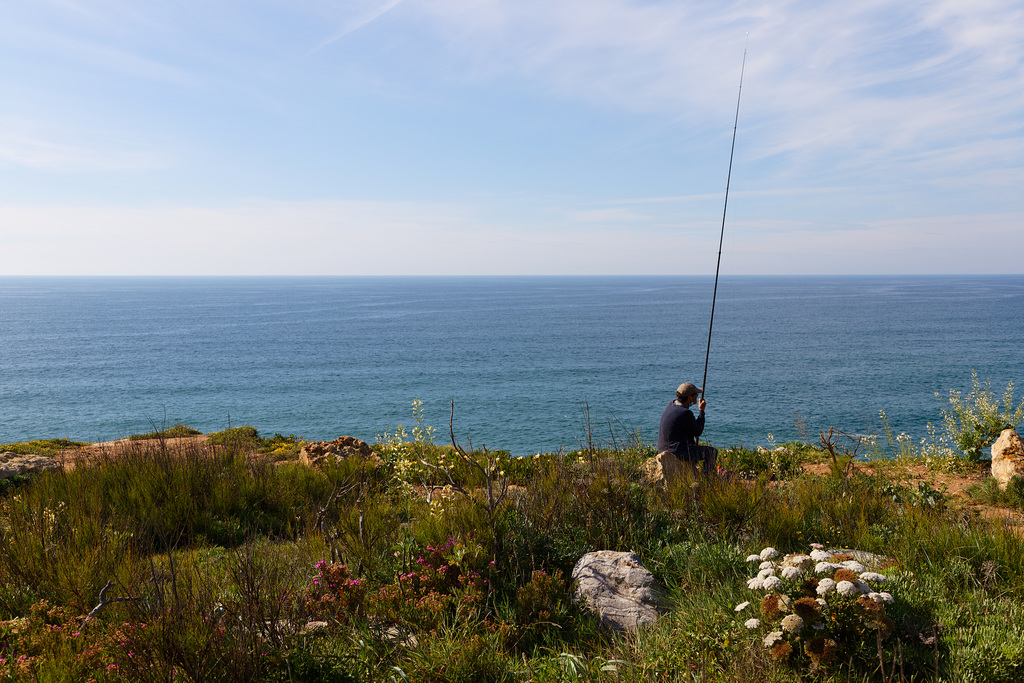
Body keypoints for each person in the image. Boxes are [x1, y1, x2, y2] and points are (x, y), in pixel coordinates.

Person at [657, 382, 718, 474]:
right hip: (675, 452)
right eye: (695, 395)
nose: (697, 396)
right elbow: (698, 431)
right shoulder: (684, 413)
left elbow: (688, 427)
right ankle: (707, 479)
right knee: (712, 452)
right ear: (689, 397)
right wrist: (701, 411)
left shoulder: (671, 404)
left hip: (663, 448)